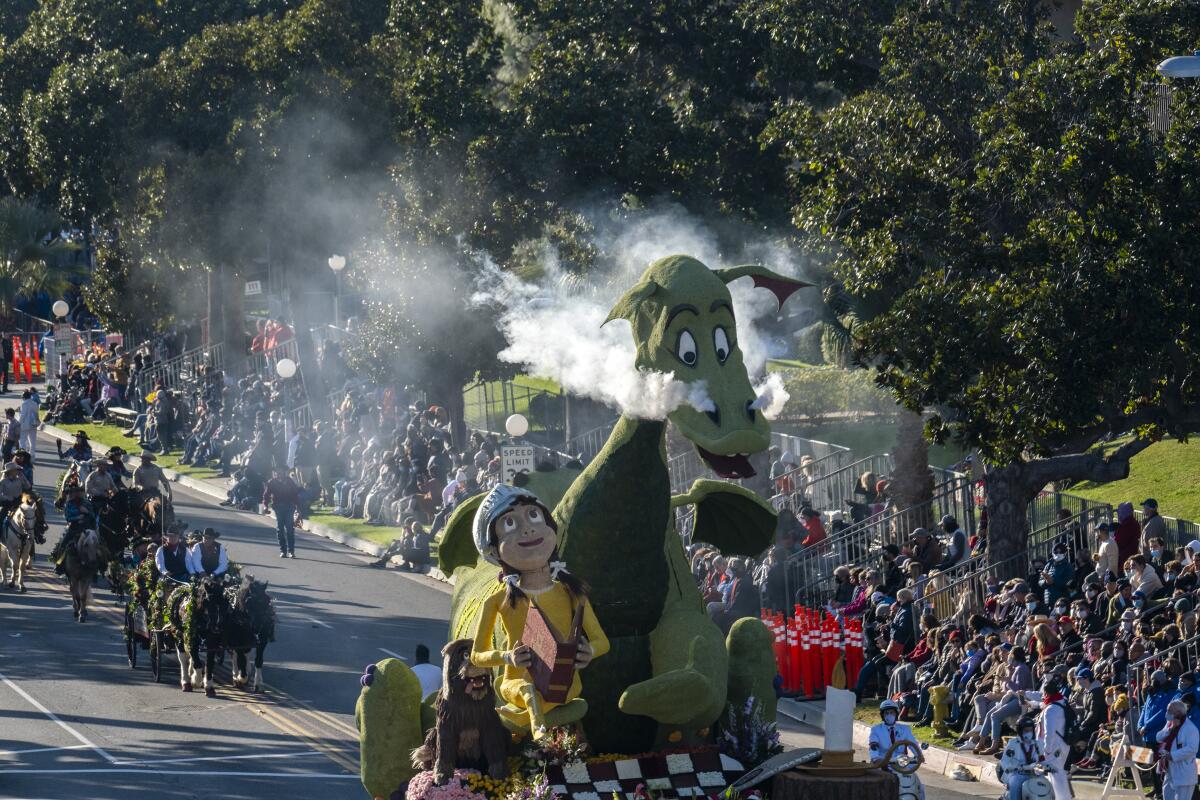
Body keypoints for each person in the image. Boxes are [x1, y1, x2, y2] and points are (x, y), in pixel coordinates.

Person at [469, 484, 609, 738]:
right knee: (527, 689)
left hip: (565, 684)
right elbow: (477, 655)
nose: (528, 529)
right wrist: (507, 657)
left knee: (554, 692)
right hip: (516, 684)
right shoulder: (497, 601)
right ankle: (536, 725)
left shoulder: (571, 592)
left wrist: (589, 651)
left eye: (533, 515)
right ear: (495, 550)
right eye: (510, 523)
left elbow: (602, 641)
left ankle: (528, 719)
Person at [1036, 674, 1072, 800]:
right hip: (1063, 744)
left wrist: (1046, 751)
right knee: (1057, 774)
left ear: (1047, 693)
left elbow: (1049, 733)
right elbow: (1041, 704)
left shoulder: (1050, 710)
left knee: (1056, 776)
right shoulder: (1062, 701)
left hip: (1054, 746)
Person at [999, 714, 1050, 800]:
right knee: (1015, 783)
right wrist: (1017, 767)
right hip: (1018, 774)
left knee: (1046, 784)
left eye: (1031, 730)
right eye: (1026, 730)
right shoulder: (1013, 743)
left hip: (1034, 774)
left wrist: (1049, 766)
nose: (1029, 733)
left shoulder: (1037, 744)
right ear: (1020, 731)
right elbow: (1005, 761)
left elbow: (1042, 759)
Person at [1156, 699, 1199, 800]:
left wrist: (1172, 755)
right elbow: (1158, 737)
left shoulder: (1190, 728)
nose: (1167, 713)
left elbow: (1192, 748)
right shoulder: (1169, 723)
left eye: (1169, 711)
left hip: (1184, 773)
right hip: (1170, 770)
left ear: (1178, 713)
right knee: (1167, 795)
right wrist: (1170, 729)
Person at [869, 699, 921, 777]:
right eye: (886, 713)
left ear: (896, 714)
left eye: (892, 712)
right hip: (883, 762)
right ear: (882, 715)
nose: (889, 715)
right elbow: (873, 747)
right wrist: (875, 758)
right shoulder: (876, 729)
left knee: (913, 779)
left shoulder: (905, 729)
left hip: (901, 761)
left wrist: (919, 755)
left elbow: (913, 744)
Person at [262, 466, 300, 558]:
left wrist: (298, 508)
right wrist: (265, 506)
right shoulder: (272, 482)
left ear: (284, 471)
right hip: (278, 507)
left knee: (289, 528)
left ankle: (291, 551)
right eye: (277, 471)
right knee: (280, 529)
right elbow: (266, 495)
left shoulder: (289, 481)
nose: (279, 473)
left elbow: (295, 495)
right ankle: (283, 550)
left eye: (281, 471)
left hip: (289, 506)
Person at [17, 389, 38, 456]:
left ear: (24, 397)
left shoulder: (24, 404)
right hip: (33, 425)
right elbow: (36, 414)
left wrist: (18, 424)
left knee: (22, 441)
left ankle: (23, 455)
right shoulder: (35, 403)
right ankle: (32, 456)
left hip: (24, 425)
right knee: (32, 442)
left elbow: (23, 415)